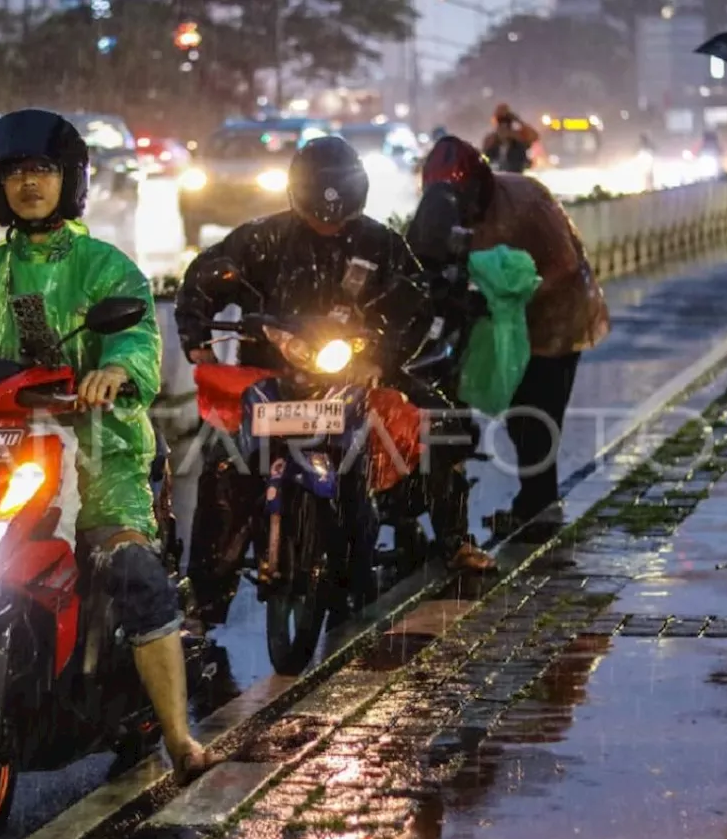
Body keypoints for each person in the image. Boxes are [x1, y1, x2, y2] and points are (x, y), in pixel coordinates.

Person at [0, 108, 222, 785]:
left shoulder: (105, 266)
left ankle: (180, 737)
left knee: (132, 572)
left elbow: (136, 338)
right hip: (1, 451)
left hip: (103, 453)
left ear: (71, 181)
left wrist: (117, 370)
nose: (30, 185)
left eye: (43, 171)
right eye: (15, 173)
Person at [175, 135, 495, 627]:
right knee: (224, 469)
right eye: (318, 212)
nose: (328, 221)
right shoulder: (260, 238)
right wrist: (195, 332)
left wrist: (382, 358)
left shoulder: (381, 244)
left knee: (444, 426)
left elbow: (415, 302)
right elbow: (205, 277)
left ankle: (454, 540)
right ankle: (205, 601)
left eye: (337, 213)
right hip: (269, 380)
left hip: (356, 375)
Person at [416, 135, 610, 534]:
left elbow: (566, 265)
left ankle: (537, 509)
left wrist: (513, 295)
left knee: (536, 413)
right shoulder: (441, 211)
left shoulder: (526, 201)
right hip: (494, 318)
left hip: (555, 318)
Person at [481, 103, 538, 174]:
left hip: (514, 178)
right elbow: (484, 156)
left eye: (506, 127)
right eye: (500, 127)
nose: (503, 131)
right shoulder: (491, 140)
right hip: (495, 178)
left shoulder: (518, 142)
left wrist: (519, 121)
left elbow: (534, 136)